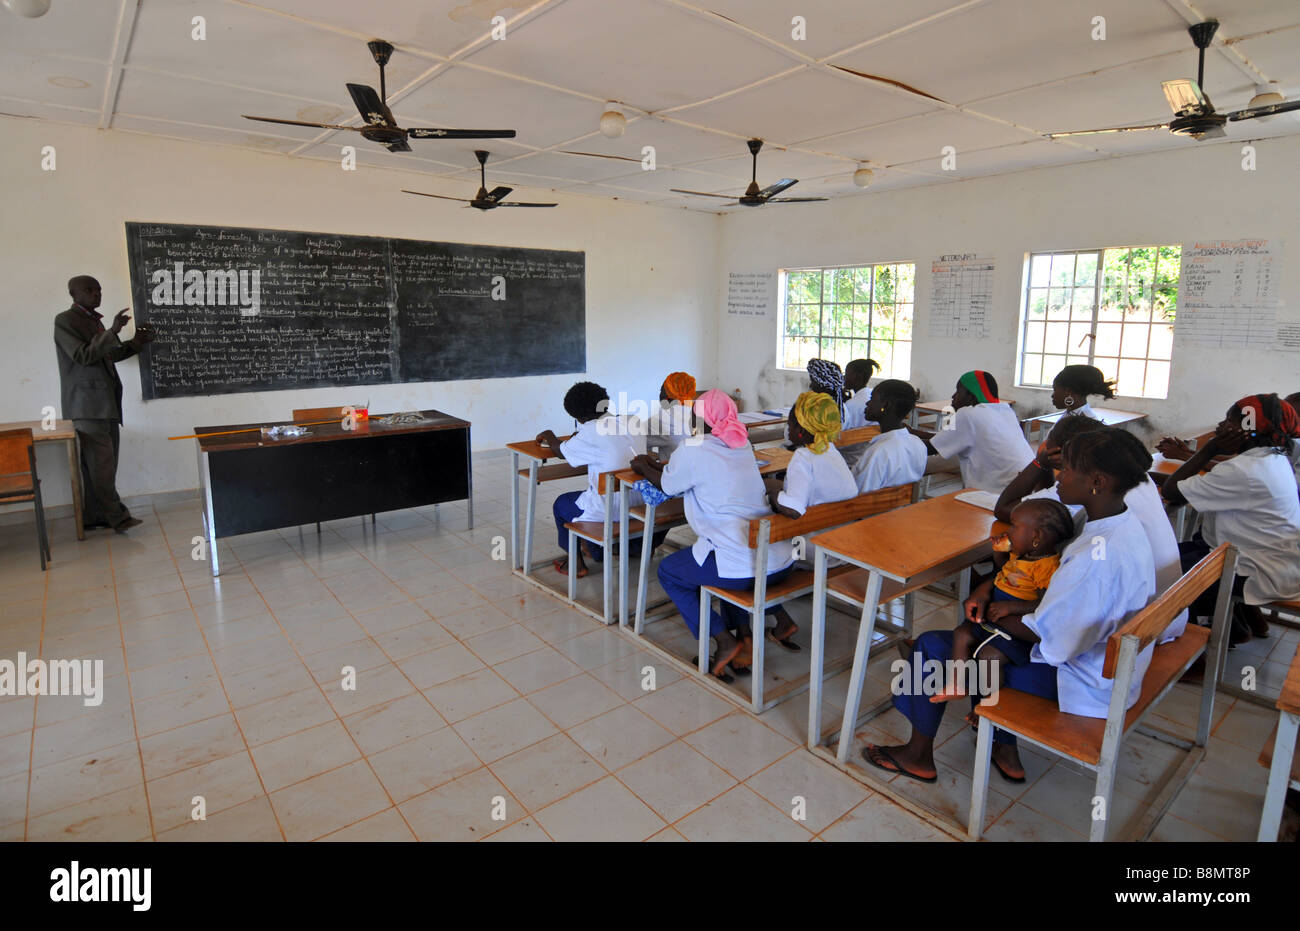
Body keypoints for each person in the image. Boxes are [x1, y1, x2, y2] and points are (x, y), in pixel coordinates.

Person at [864, 427, 1157, 784]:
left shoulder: (1093, 560)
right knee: (983, 644)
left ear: (1097, 480)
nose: (1059, 475)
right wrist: (989, 588)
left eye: (1067, 469)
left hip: (1080, 682)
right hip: (1108, 668)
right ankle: (1000, 741)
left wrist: (990, 618)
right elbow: (1047, 588)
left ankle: (918, 756)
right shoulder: (1116, 525)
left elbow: (1055, 642)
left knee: (932, 649)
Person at [633, 390, 793, 680]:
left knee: (670, 572)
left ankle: (723, 639)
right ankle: (744, 641)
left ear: (701, 418)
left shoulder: (694, 448)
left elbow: (668, 486)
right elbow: (684, 472)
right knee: (728, 564)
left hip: (742, 564)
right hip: (778, 560)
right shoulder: (741, 443)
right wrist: (658, 468)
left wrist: (643, 466)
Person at [996, 415, 1188, 643]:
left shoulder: (1088, 495)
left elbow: (1006, 508)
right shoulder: (1126, 479)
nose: (1061, 478)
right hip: (1162, 614)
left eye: (1066, 467)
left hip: (1132, 634)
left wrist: (1041, 462)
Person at [1162, 394, 1300, 633]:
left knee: (1164, 576)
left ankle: (1199, 642)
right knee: (1172, 556)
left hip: (1259, 570)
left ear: (1248, 429)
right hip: (1277, 561)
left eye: (1229, 420)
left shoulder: (1244, 469)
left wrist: (1212, 447)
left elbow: (1171, 491)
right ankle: (1235, 630)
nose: (1221, 425)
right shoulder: (1273, 457)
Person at [931, 498, 1075, 702]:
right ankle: (957, 684)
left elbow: (1045, 604)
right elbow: (1002, 570)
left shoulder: (1046, 567)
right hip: (994, 612)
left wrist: (1011, 607)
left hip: (1014, 626)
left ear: (1036, 536)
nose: (1009, 531)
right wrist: (998, 552)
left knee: (989, 657)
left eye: (1014, 526)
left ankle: (989, 705)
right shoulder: (1022, 553)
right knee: (961, 633)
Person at [54, 275, 155, 533]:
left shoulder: (93, 321)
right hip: (87, 405)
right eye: (89, 290)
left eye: (99, 290)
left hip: (106, 404)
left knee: (97, 465)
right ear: (73, 293)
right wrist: (112, 332)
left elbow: (110, 354)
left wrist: (136, 343)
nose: (96, 294)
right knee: (102, 465)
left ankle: (93, 517)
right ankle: (117, 517)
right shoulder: (65, 321)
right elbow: (82, 355)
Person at [761, 391, 859, 651]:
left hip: (815, 549)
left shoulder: (803, 456)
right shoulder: (831, 452)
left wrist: (772, 491)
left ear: (803, 431)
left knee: (749, 549)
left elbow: (793, 510)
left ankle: (767, 614)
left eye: (791, 423)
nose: (788, 428)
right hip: (841, 544)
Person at [536, 381, 647, 579]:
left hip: (610, 510)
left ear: (580, 417)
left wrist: (550, 435)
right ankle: (622, 548)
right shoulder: (633, 420)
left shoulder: (590, 432)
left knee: (561, 504)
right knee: (593, 497)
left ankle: (576, 564)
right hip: (642, 504)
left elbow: (561, 452)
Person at [910, 370, 1034, 492]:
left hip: (999, 492)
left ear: (971, 396)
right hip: (1027, 484)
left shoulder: (968, 414)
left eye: (958, 391)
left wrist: (899, 438)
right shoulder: (1005, 411)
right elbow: (947, 438)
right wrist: (912, 432)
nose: (953, 396)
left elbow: (931, 448)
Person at [852, 379, 927, 493]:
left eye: (872, 399)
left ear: (886, 405)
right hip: (907, 508)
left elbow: (862, 496)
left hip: (878, 509)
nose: (867, 403)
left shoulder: (879, 452)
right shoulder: (917, 443)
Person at [840, 358, 881, 469]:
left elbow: (841, 440)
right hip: (868, 455)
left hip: (849, 459)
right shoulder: (871, 396)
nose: (844, 377)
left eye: (846, 374)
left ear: (856, 377)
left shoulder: (851, 405)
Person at [647, 371, 696, 458]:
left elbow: (636, 439)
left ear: (667, 394)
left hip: (676, 470)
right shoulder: (700, 412)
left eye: (662, 390)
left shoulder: (662, 418)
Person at [1050, 364, 1115, 419]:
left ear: (1069, 391)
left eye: (1055, 390)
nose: (1052, 395)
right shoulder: (1073, 413)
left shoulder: (1083, 422)